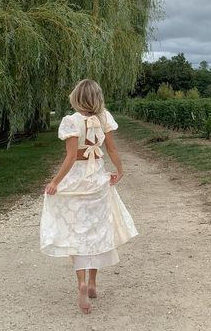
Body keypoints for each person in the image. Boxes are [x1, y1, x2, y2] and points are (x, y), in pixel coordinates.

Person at [39, 79, 138, 314]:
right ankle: (93, 284)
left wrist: (55, 182)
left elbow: (71, 157)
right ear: (98, 98)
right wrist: (120, 170)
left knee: (77, 233)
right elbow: (111, 149)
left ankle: (81, 282)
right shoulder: (104, 118)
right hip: (97, 180)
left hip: (77, 181)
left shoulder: (71, 121)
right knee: (97, 231)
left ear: (76, 97)